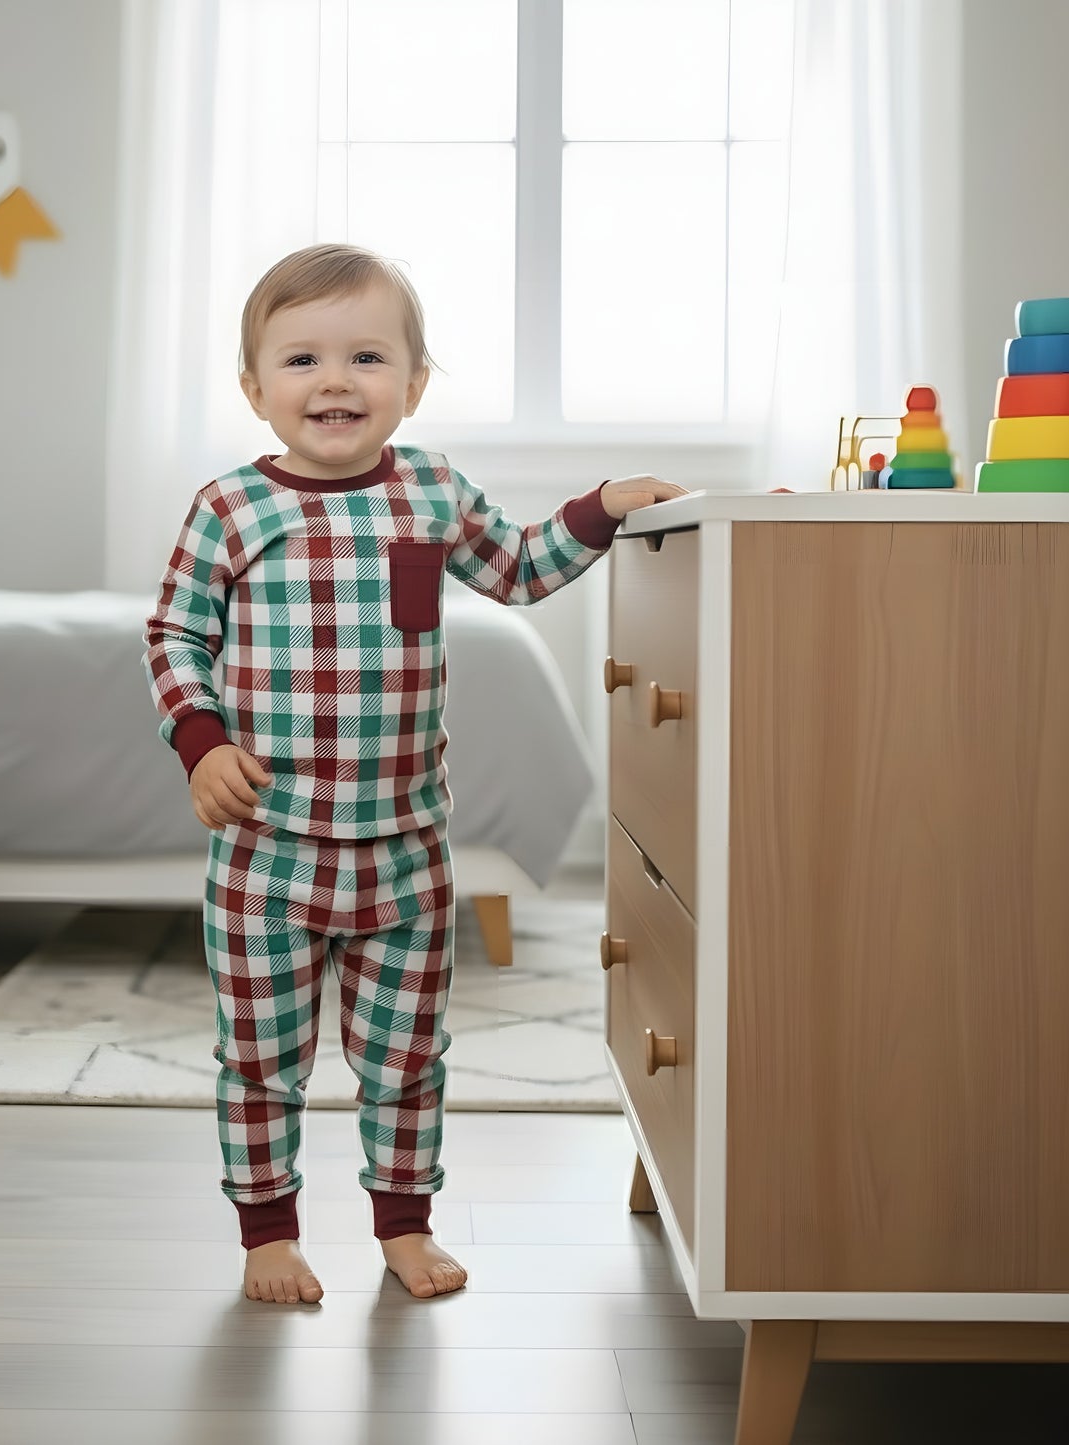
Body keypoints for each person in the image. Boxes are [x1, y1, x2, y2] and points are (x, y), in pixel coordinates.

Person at [143, 242, 685, 1307]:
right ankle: (267, 1231)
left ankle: (402, 1222)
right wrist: (200, 739)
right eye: (299, 359)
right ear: (255, 390)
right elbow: (172, 632)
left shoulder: (430, 489)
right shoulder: (229, 508)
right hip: (265, 852)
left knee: (407, 1057)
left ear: (413, 383)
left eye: (365, 357)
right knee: (260, 1057)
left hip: (403, 851)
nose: (333, 381)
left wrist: (604, 504)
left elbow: (522, 567)